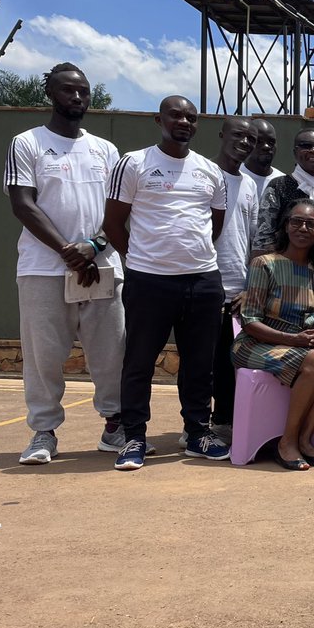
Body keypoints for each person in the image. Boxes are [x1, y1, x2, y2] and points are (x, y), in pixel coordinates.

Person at [6, 63, 127, 464]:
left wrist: (94, 245)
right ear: (50, 94)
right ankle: (43, 432)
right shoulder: (27, 143)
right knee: (43, 355)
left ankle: (114, 426)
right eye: (67, 90)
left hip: (101, 266)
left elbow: (119, 209)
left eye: (83, 91)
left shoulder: (105, 150)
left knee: (111, 351)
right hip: (42, 268)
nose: (77, 97)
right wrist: (67, 251)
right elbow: (23, 204)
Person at [103, 95, 228, 470]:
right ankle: (134, 437)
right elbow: (113, 224)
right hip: (149, 281)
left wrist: (189, 255)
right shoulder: (134, 163)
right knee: (139, 363)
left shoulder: (210, 170)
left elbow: (214, 226)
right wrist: (142, 260)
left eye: (191, 117)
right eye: (175, 115)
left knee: (199, 364)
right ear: (159, 120)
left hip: (203, 280)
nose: (184, 121)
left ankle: (197, 432)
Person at [231, 200, 314, 470]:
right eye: (296, 221)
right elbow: (249, 322)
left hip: (299, 345)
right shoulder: (264, 264)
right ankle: (287, 443)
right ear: (285, 226)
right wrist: (295, 340)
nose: (303, 228)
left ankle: (305, 439)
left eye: (311, 224)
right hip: (255, 344)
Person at [254, 129, 314, 330]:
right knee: (289, 336)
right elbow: (263, 240)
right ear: (295, 152)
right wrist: (256, 285)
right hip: (286, 281)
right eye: (306, 146)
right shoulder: (279, 187)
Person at [209, 116, 260, 445]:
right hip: (203, 284)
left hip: (238, 290)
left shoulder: (249, 185)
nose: (244, 142)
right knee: (202, 362)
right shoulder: (204, 173)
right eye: (238, 135)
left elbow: (254, 241)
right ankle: (195, 426)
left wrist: (250, 286)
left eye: (250, 138)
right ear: (222, 135)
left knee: (231, 362)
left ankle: (224, 423)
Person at [240, 118, 284, 200]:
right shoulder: (233, 176)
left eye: (271, 142)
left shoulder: (283, 182)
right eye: (259, 142)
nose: (266, 147)